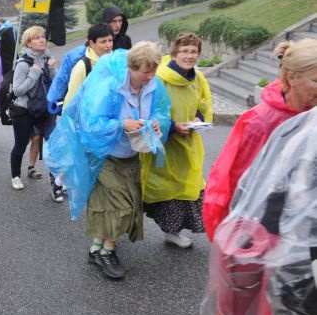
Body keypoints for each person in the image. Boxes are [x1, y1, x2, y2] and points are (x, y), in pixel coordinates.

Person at [200, 106, 317, 315]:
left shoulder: (300, 126)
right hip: (298, 273)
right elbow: (242, 173)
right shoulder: (290, 128)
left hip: (290, 264)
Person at [44, 42, 171, 280]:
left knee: (118, 204)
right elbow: (90, 123)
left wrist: (156, 122)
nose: (151, 75)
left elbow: (162, 112)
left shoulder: (153, 85)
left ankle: (96, 249)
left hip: (132, 154)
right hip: (105, 155)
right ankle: (108, 252)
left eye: (154, 69)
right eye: (146, 70)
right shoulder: (110, 88)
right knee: (119, 204)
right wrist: (121, 124)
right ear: (132, 68)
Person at [203, 39, 317, 240]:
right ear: (291, 77)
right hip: (270, 230)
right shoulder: (261, 122)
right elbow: (238, 183)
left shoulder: (312, 115)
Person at [141, 33, 213, 248]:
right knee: (162, 188)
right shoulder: (160, 78)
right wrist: (172, 126)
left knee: (187, 187)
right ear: (174, 53)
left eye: (193, 52)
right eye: (184, 51)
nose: (189, 56)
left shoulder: (198, 78)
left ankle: (173, 231)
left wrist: (198, 120)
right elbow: (148, 109)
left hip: (187, 143)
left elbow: (204, 103)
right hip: (163, 144)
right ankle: (116, 231)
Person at [9, 26, 62, 200]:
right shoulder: (23, 64)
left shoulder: (48, 59)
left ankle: (56, 184)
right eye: (37, 38)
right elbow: (17, 90)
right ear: (28, 42)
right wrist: (33, 74)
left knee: (54, 144)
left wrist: (52, 70)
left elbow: (56, 87)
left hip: (45, 110)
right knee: (21, 144)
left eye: (42, 37)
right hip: (25, 110)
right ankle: (15, 175)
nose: (42, 40)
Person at [63, 24, 114, 108]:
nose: (108, 45)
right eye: (103, 42)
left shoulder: (115, 62)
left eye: (110, 40)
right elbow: (71, 101)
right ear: (92, 43)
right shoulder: (82, 67)